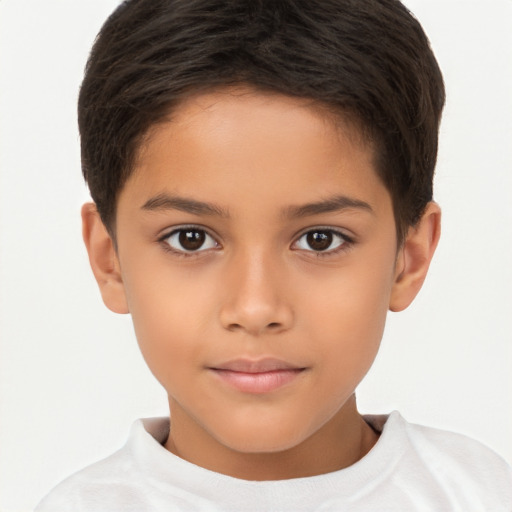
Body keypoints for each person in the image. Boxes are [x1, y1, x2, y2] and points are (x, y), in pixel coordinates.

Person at [35, 0, 512, 510]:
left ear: (409, 258)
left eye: (320, 239)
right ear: (110, 260)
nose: (256, 308)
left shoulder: (479, 493)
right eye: (190, 239)